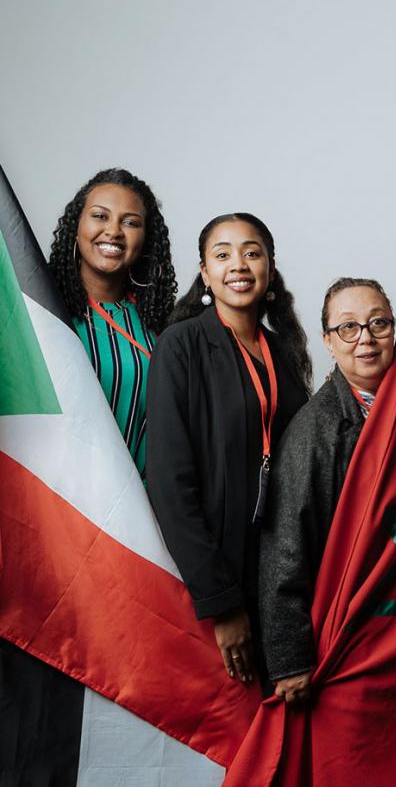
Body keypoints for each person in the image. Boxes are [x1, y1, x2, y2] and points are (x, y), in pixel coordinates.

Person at [258, 276, 396, 708]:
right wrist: (289, 661)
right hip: (348, 632)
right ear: (328, 342)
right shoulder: (314, 431)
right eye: (348, 328)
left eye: (378, 324)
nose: (366, 339)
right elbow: (285, 549)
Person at [145, 212, 311, 691]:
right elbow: (169, 483)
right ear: (204, 272)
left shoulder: (282, 350)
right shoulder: (182, 345)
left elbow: (319, 444)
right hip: (214, 574)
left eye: (251, 252)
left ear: (270, 266)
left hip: (280, 567)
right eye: (222, 255)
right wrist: (220, 602)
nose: (238, 265)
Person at [48, 167, 177, 479]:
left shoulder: (159, 323)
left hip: (136, 508)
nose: (114, 231)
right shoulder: (44, 311)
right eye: (100, 216)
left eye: (130, 222)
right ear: (76, 226)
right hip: (57, 503)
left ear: (145, 239)